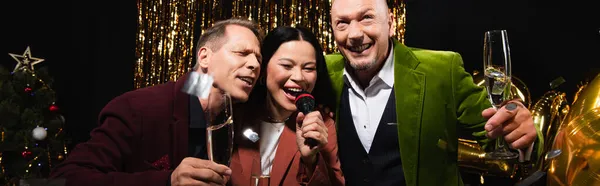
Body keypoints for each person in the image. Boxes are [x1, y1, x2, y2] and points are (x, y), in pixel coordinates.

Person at [325, 0, 537, 185]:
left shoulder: (443, 70)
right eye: (342, 23)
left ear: (390, 23)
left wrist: (522, 136)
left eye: (367, 18)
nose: (354, 34)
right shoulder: (320, 70)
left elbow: (496, 134)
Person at [49, 18, 263, 186]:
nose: (254, 64)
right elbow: (67, 178)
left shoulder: (239, 121)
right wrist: (167, 181)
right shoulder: (138, 108)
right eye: (241, 53)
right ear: (204, 57)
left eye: (258, 58)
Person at [229, 26, 344, 186]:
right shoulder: (233, 115)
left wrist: (310, 160)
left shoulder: (321, 125)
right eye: (286, 66)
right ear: (263, 68)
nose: (298, 77)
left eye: (309, 68)